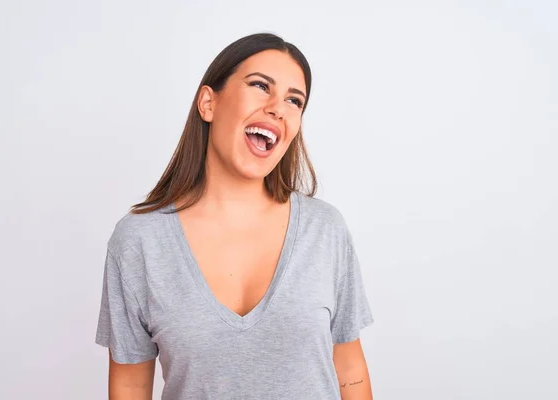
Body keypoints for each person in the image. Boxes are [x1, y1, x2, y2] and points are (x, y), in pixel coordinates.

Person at [95, 32, 374, 399]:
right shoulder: (139, 242)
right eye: (261, 86)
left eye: (294, 100)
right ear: (208, 103)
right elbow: (131, 384)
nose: (278, 107)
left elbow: (349, 367)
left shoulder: (325, 230)